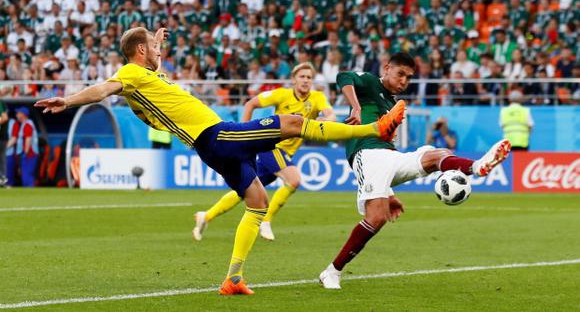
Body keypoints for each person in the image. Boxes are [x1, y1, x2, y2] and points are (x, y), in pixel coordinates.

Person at [35, 27, 406, 296]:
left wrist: (157, 45)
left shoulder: (146, 75)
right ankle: (376, 126)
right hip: (216, 135)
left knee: (258, 201)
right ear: (139, 51)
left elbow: (149, 72)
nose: (157, 48)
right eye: (151, 45)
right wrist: (67, 101)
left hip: (210, 146)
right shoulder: (130, 73)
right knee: (292, 124)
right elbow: (105, 88)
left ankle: (233, 278)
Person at [318, 52, 512, 290]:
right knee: (376, 218)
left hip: (389, 156)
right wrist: (356, 108)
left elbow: (386, 157)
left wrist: (389, 193)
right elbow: (343, 76)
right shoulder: (369, 82)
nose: (404, 82)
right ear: (387, 68)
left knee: (436, 154)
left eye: (409, 78)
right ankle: (332, 272)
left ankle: (475, 167)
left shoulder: (391, 103)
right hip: (366, 152)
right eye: (400, 74)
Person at [193, 62, 336, 242]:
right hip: (272, 148)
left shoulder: (317, 97)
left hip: (285, 154)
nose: (306, 81)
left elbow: (331, 114)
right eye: (302, 76)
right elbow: (251, 103)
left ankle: (205, 216)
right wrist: (242, 132)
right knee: (294, 180)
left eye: (309, 77)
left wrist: (326, 118)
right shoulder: (282, 94)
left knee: (246, 190)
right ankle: (266, 220)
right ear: (293, 79)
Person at [7, 107, 39, 187]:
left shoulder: (27, 124)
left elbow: (28, 140)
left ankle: (31, 194)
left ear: (23, 115)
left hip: (30, 155)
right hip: (28, 154)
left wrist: (25, 153)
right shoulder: (25, 124)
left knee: (27, 176)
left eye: (18, 113)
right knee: (25, 175)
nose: (16, 115)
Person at [0, 96, 8, 186]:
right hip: (3, 137)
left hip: (1, 137)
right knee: (2, 159)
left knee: (2, 159)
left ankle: (3, 180)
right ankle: (3, 180)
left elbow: (4, 117)